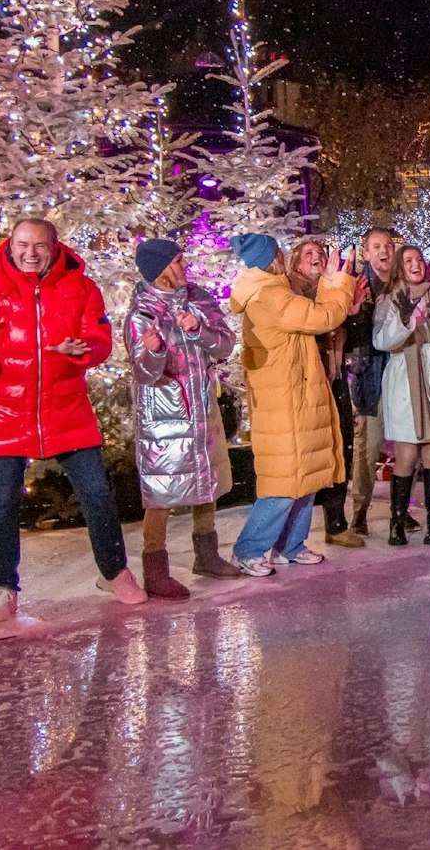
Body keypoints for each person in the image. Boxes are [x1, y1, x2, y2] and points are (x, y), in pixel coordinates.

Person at [0, 218, 141, 619]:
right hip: (3, 413)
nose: (31, 253)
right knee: (2, 504)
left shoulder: (82, 287)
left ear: (55, 247)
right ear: (11, 243)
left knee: (96, 495)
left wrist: (83, 349)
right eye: (23, 244)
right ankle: (4, 588)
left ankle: (114, 571)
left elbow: (100, 338)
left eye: (40, 246)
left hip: (66, 409)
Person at [227, 233, 358, 575]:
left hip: (296, 398)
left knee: (305, 478)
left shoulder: (273, 289)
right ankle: (248, 549)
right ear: (271, 257)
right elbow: (323, 317)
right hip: (284, 402)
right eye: (279, 251)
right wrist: (336, 282)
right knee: (284, 483)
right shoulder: (270, 294)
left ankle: (289, 544)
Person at [122, 239, 241, 598]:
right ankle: (155, 567)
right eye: (176, 261)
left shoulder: (199, 298)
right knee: (161, 489)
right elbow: (143, 372)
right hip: (165, 414)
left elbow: (224, 345)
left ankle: (206, 553)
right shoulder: (141, 313)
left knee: (207, 476)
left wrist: (198, 330)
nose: (184, 265)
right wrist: (155, 352)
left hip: (202, 403)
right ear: (159, 270)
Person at [375, 244, 430, 546]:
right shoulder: (388, 300)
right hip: (405, 379)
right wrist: (405, 320)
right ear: (400, 267)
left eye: (419, 260)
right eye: (408, 261)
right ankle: (396, 522)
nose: (415, 265)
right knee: (407, 453)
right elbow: (382, 341)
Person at [287, 239, 360, 548]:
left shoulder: (336, 290)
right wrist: (338, 305)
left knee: (341, 448)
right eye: (309, 254)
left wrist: (352, 313)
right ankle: (291, 534)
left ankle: (336, 522)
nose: (317, 257)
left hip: (335, 377)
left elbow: (349, 334)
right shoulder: (292, 294)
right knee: (309, 456)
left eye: (320, 253)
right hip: (308, 382)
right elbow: (315, 324)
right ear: (296, 264)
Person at [341, 228, 401, 538]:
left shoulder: (404, 281)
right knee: (368, 444)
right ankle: (360, 509)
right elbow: (349, 333)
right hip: (372, 373)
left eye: (388, 245)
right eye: (376, 246)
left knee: (407, 444)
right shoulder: (358, 286)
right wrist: (357, 310)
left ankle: (400, 510)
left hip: (402, 374)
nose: (384, 251)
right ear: (366, 252)